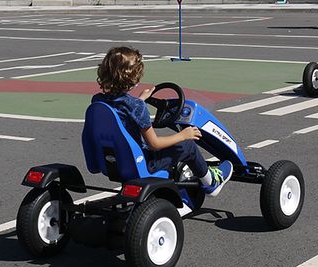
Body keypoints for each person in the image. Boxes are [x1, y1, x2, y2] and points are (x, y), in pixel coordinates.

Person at [92, 47, 232, 196]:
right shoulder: (136, 107)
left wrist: (140, 100)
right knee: (188, 146)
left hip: (113, 162)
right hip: (141, 164)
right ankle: (211, 182)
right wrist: (184, 135)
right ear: (135, 78)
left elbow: (122, 113)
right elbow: (154, 144)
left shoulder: (99, 101)